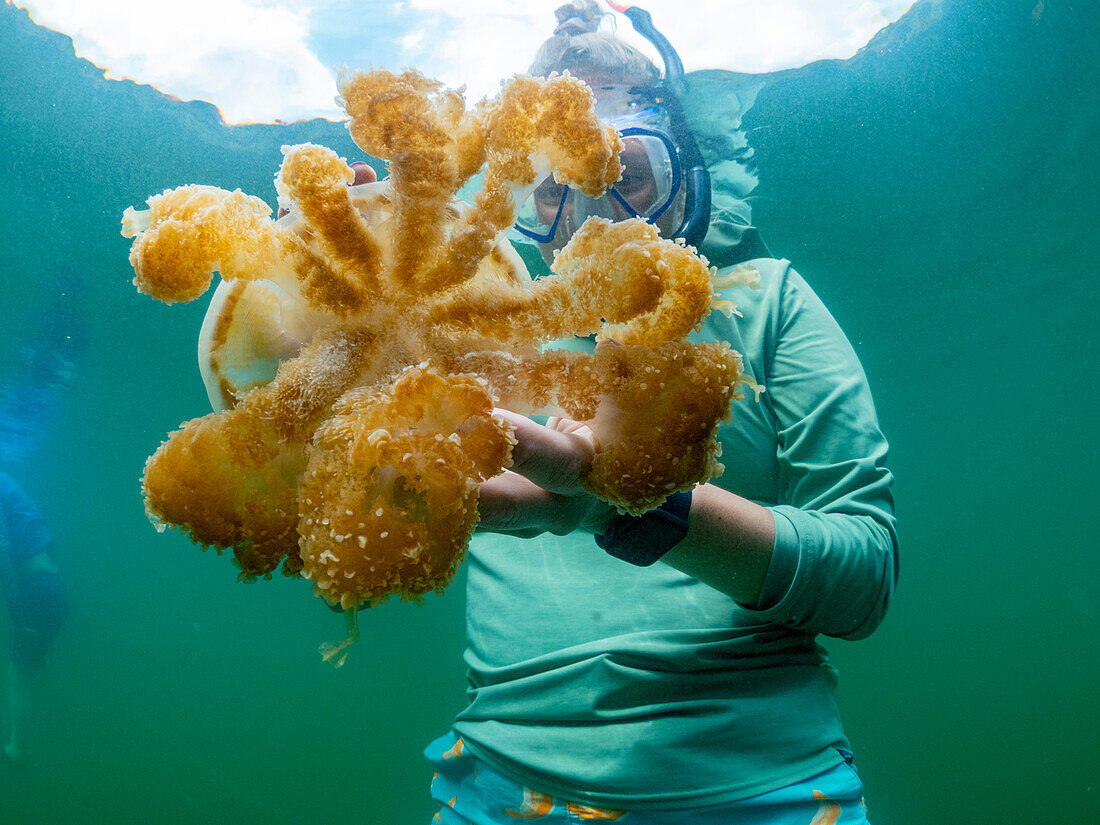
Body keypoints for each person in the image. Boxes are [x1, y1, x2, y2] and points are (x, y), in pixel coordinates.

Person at [422, 3, 898, 823]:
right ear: (521, 209)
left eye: (628, 175)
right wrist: (305, 295)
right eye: (551, 190)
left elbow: (864, 579)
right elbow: (348, 526)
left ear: (692, 175)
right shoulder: (472, 332)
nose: (593, 217)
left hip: (768, 786)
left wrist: (645, 503)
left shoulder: (768, 303)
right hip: (495, 788)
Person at [0, 471, 69, 766]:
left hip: (35, 594)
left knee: (19, 678)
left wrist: (16, 607)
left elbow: (3, 547)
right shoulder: (9, 485)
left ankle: (18, 750)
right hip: (53, 591)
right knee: (28, 669)